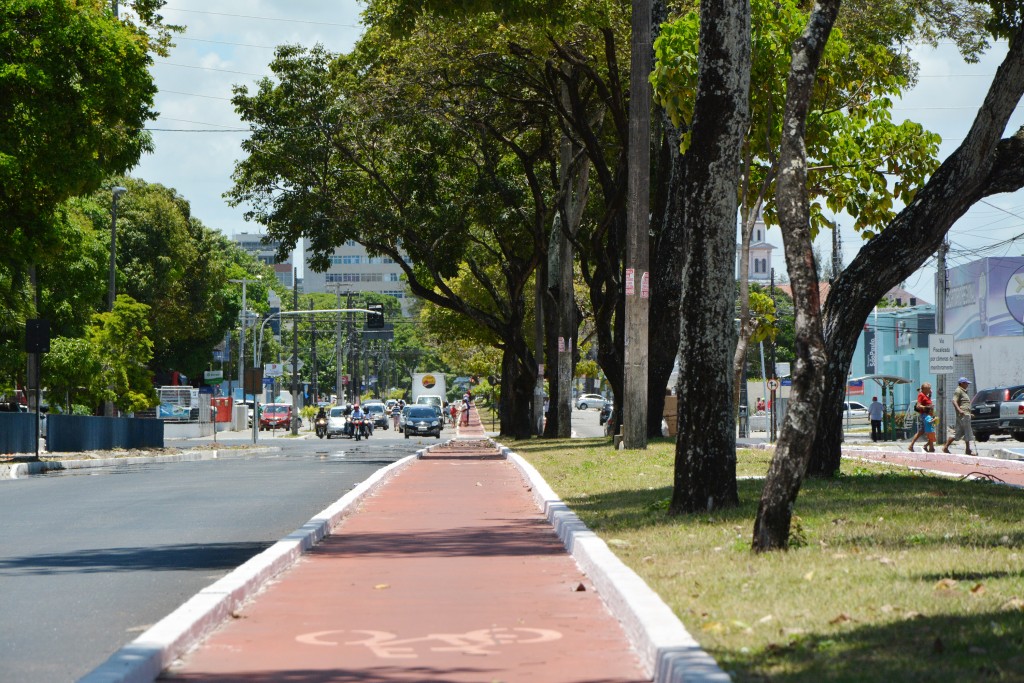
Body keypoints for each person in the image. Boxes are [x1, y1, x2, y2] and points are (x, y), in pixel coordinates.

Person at [943, 377, 975, 455]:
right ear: (961, 383)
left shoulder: (964, 391)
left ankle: (946, 447)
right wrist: (960, 410)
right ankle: (968, 450)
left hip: (966, 414)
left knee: (958, 432)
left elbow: (964, 403)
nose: (967, 384)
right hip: (963, 415)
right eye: (966, 383)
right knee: (967, 432)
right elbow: (954, 401)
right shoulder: (958, 390)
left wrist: (969, 413)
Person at [907, 382, 933, 452]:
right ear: (924, 389)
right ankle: (930, 447)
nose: (929, 390)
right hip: (925, 415)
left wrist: (930, 395)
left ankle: (927, 446)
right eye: (928, 389)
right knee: (930, 431)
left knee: (924, 431)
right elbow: (918, 405)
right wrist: (926, 407)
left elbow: (928, 402)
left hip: (928, 415)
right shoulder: (921, 395)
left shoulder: (926, 395)